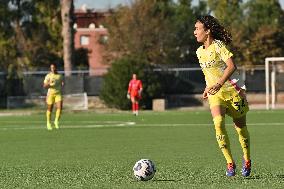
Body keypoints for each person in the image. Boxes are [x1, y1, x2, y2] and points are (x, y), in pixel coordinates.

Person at [193, 15, 251, 177]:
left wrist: (219, 83)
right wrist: (208, 87)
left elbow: (232, 66)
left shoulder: (219, 46)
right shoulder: (199, 52)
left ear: (208, 31)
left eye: (197, 28)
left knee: (240, 128)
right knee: (218, 123)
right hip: (216, 94)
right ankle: (230, 163)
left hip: (234, 91)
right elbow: (208, 74)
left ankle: (247, 160)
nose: (194, 32)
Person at [43, 63, 64, 130]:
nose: (52, 69)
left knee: (59, 108)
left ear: (56, 68)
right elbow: (44, 86)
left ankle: (56, 121)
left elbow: (61, 82)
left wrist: (62, 84)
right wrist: (48, 83)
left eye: (53, 67)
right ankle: (48, 123)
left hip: (58, 94)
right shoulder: (48, 76)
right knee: (50, 109)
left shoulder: (60, 76)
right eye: (51, 68)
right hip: (50, 94)